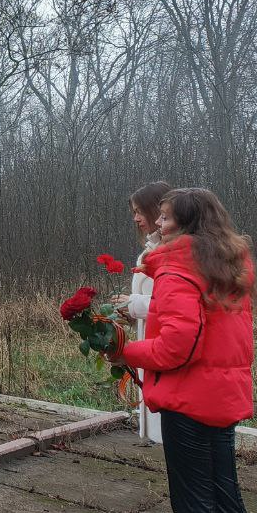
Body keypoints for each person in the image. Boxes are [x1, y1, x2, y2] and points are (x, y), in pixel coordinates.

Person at [109, 188, 257, 513]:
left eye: (164, 218)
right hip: (222, 401)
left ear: (184, 224)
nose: (157, 225)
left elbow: (176, 348)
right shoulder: (226, 265)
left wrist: (126, 352)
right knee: (228, 506)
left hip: (190, 406)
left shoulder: (178, 270)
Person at [112, 180, 171, 446]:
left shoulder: (175, 252)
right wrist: (129, 313)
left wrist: (135, 304)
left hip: (167, 346)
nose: (135, 218)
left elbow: (178, 304)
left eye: (139, 211)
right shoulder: (148, 252)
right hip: (150, 343)